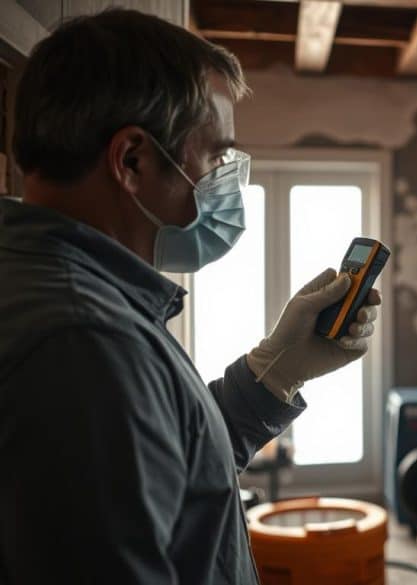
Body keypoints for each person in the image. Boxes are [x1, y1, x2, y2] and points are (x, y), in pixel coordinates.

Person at [0, 9, 380, 584]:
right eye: (216, 157)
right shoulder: (84, 342)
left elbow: (169, 470)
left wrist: (274, 373)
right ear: (132, 160)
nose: (225, 180)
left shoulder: (72, 295)